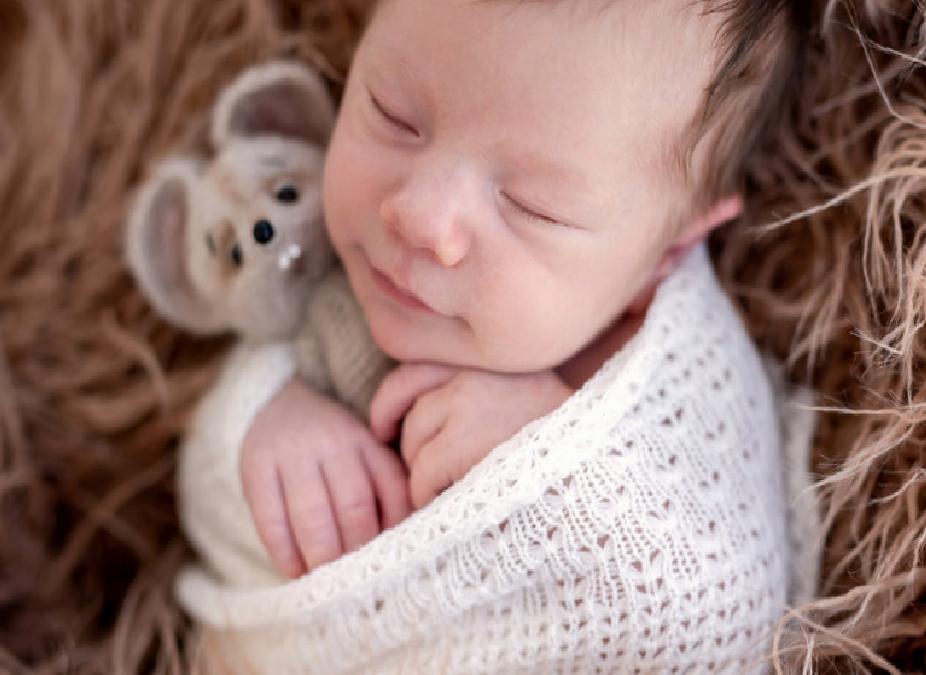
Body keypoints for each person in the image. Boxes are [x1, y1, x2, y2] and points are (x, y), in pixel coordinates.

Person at [177, 0, 813, 671]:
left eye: (531, 206)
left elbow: (721, 613)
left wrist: (555, 467)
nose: (419, 216)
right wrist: (268, 415)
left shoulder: (683, 391)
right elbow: (206, 482)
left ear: (671, 246)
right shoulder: (333, 286)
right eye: (392, 114)